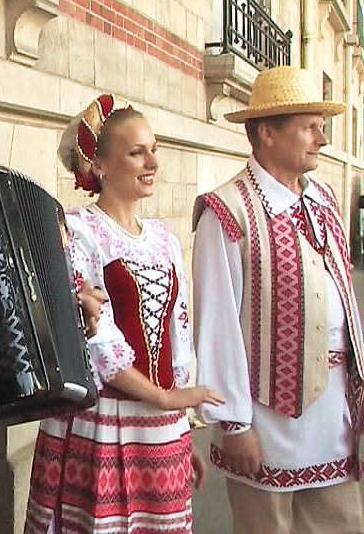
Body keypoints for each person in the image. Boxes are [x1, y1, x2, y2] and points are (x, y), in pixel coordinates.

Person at [25, 93, 224, 534]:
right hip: (101, 423)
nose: (152, 161)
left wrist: (180, 430)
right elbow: (97, 340)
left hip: (160, 431)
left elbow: (179, 331)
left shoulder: (164, 238)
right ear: (99, 165)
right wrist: (168, 399)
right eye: (137, 152)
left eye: (154, 149)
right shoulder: (79, 232)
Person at [193, 65, 364, 534]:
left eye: (321, 128)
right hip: (267, 422)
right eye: (310, 128)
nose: (322, 140)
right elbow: (218, 326)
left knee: (344, 524)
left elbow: (346, 304)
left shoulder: (325, 201)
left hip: (335, 418)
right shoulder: (226, 211)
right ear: (267, 133)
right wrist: (234, 425)